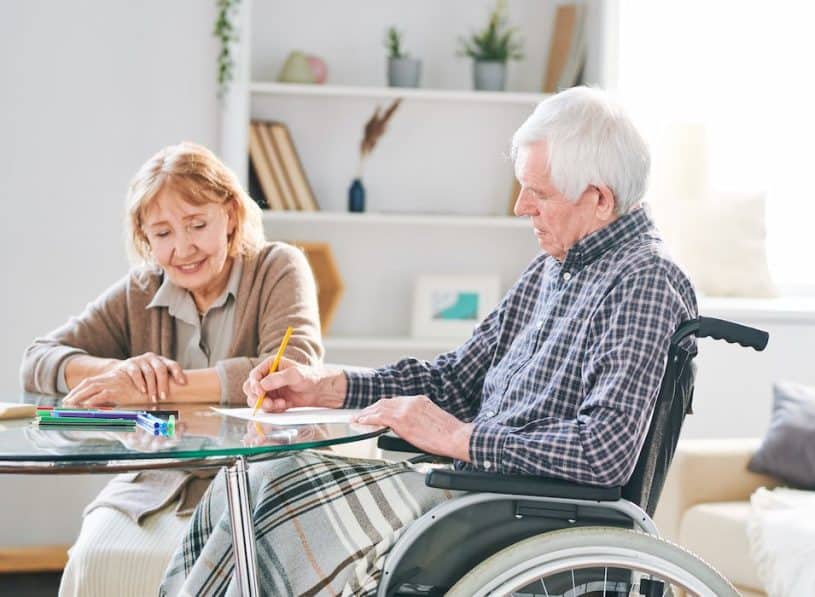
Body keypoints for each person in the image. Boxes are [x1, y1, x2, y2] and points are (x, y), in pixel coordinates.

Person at [161, 86, 699, 596]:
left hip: (521, 511)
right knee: (247, 479)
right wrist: (326, 386)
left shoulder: (645, 279)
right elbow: (452, 379)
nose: (520, 208)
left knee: (274, 492)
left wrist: (459, 439)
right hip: (476, 492)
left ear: (600, 199)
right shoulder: (553, 270)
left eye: (537, 193)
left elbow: (603, 453)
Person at [21, 142, 324, 596]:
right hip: (156, 483)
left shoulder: (279, 265)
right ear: (145, 238)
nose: (182, 248)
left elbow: (289, 368)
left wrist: (154, 393)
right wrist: (121, 373)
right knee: (96, 559)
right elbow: (38, 359)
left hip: (257, 480)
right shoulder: (142, 288)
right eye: (162, 233)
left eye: (197, 224)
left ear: (231, 216)